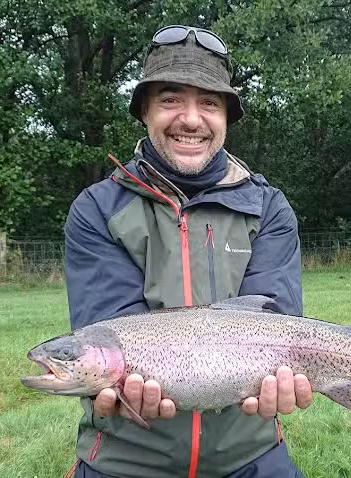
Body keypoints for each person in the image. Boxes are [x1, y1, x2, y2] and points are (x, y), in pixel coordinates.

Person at [63, 25, 313, 478]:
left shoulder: (268, 208)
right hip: (125, 461)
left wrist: (290, 377)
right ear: (144, 111)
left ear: (225, 118)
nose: (191, 119)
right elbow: (112, 333)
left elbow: (278, 322)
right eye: (171, 99)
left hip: (250, 454)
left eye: (210, 103)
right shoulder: (97, 209)